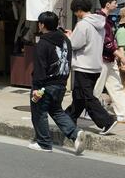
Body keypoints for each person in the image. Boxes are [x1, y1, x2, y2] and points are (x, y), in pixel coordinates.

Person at [29, 11, 86, 154]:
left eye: (39, 23)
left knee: (39, 111)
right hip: (61, 82)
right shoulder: (65, 39)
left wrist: (36, 87)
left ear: (42, 25)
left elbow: (40, 67)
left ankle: (44, 143)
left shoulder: (43, 42)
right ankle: (74, 133)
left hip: (46, 84)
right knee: (56, 110)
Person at [66, 0, 116, 134]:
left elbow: (75, 44)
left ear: (79, 10)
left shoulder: (83, 25)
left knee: (87, 97)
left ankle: (107, 121)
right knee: (79, 95)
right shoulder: (100, 23)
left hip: (83, 65)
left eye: (75, 12)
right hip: (95, 65)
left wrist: (69, 36)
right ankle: (68, 118)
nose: (76, 14)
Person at [94, 0, 125, 122]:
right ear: (108, 4)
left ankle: (124, 114)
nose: (116, 5)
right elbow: (107, 42)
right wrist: (121, 56)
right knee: (97, 88)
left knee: (116, 86)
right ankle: (87, 111)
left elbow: (111, 42)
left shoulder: (108, 20)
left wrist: (119, 56)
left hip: (109, 58)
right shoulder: (100, 19)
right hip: (102, 58)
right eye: (115, 3)